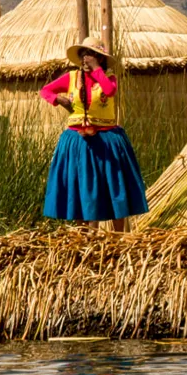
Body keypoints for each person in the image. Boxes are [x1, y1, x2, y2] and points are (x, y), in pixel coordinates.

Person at [40, 37, 147, 231]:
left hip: (107, 140)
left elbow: (109, 90)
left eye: (91, 55)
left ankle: (118, 236)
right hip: (78, 141)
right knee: (82, 185)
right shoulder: (72, 77)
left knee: (113, 184)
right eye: (83, 55)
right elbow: (45, 91)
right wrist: (58, 99)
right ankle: (85, 234)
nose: (86, 59)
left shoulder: (109, 77)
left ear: (100, 58)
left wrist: (97, 69)